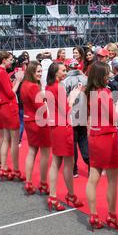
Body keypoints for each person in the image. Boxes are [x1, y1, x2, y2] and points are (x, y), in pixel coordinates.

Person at [85, 61, 118, 231]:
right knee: (112, 181)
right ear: (101, 75)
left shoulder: (90, 92)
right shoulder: (104, 92)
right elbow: (114, 118)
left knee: (93, 178)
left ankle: (93, 215)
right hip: (107, 136)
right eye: (107, 73)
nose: (109, 75)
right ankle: (112, 215)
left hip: (94, 135)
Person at [45, 62, 84, 211]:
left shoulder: (50, 86)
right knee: (67, 163)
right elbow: (66, 109)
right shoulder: (58, 87)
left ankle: (57, 196)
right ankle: (68, 195)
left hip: (55, 126)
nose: (65, 72)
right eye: (63, 70)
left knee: (57, 162)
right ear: (56, 73)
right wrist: (73, 97)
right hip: (63, 127)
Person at [20, 61, 51, 195]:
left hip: (28, 120)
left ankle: (28, 181)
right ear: (31, 72)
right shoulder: (33, 87)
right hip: (39, 122)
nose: (40, 73)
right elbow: (40, 108)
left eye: (40, 71)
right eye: (37, 71)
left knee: (32, 151)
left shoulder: (24, 85)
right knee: (44, 154)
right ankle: (43, 182)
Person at [0, 51, 24, 181]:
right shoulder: (2, 73)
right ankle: (15, 169)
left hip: (2, 106)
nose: (11, 61)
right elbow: (11, 93)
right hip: (9, 107)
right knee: (14, 140)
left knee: (6, 138)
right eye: (10, 59)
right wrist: (18, 80)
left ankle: (4, 166)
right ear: (4, 60)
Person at [62, 59, 90, 178]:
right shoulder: (85, 79)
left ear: (68, 67)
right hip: (83, 113)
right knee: (83, 140)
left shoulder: (65, 81)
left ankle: (74, 169)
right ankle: (90, 164)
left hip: (71, 114)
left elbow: (63, 99)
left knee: (73, 142)